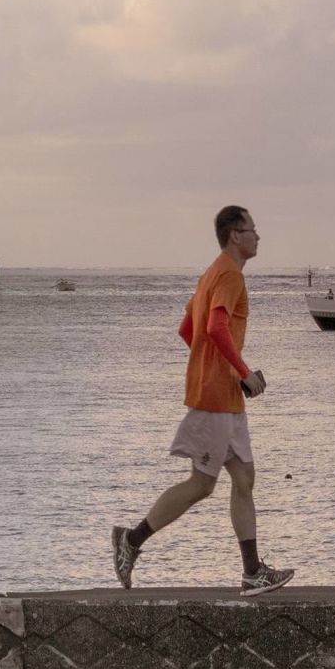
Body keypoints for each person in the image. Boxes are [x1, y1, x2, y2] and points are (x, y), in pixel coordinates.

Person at [111, 205, 295, 596]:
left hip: (225, 396)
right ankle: (131, 540)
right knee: (201, 484)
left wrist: (218, 368)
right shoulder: (229, 274)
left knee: (243, 479)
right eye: (252, 229)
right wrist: (240, 371)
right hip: (216, 400)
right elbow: (213, 327)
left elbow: (188, 330)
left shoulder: (211, 273)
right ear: (235, 235)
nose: (258, 236)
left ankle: (252, 573)